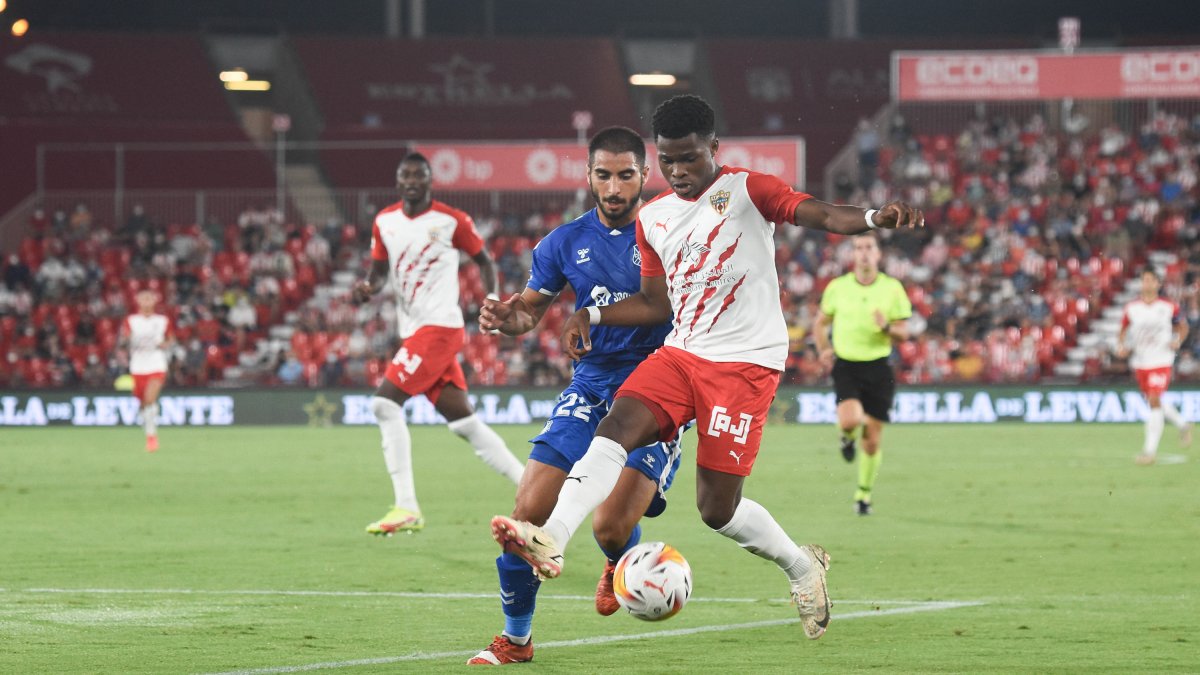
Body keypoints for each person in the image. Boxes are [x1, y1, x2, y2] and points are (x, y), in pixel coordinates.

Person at [492, 94, 923, 642]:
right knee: (616, 427)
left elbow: (817, 212)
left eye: (689, 159)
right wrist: (590, 311)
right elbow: (654, 303)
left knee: (717, 510)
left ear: (714, 149)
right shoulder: (655, 217)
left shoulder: (747, 188)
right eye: (668, 161)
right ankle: (549, 537)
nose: (678, 172)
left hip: (745, 366)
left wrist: (869, 219)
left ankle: (800, 565)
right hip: (682, 353)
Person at [468, 126, 686, 666]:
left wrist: (589, 312)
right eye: (604, 175)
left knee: (610, 527)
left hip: (659, 386)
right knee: (526, 514)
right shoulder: (563, 242)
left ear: (643, 175)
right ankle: (516, 639)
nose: (614, 188)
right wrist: (506, 317)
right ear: (588, 176)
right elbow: (528, 311)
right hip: (591, 385)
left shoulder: (669, 229)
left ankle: (617, 563)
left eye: (626, 175)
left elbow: (661, 307)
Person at [351, 152, 525, 536]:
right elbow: (379, 273)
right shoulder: (385, 222)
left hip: (440, 328)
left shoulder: (451, 221)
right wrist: (368, 288)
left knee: (383, 403)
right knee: (466, 424)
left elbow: (484, 260)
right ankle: (535, 486)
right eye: (406, 175)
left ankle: (406, 506)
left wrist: (493, 296)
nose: (412, 181)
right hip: (415, 332)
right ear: (398, 182)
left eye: (419, 175)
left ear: (430, 181)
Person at [812, 234, 912, 516]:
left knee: (872, 440)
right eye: (858, 249)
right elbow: (820, 323)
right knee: (851, 420)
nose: (864, 253)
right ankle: (845, 437)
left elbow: (904, 332)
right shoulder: (838, 287)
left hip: (879, 367)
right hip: (847, 365)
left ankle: (863, 495)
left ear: (878, 254)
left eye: (869, 248)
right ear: (853, 255)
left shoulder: (892, 289)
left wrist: (886, 328)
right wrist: (824, 349)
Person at [1116, 268, 1192, 465]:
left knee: (1154, 399)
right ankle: (1183, 425)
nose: (1147, 284)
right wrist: (1122, 346)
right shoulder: (1132, 308)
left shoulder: (1168, 307)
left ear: (1158, 284)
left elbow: (1183, 326)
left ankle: (1149, 452)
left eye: (1151, 280)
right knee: (1154, 402)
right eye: (1144, 280)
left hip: (1162, 360)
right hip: (1140, 362)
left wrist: (1178, 341)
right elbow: (1123, 330)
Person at [119, 290, 174, 452]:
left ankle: (152, 437)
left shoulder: (162, 320)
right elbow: (125, 339)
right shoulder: (132, 320)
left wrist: (166, 344)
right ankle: (148, 426)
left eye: (149, 298)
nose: (147, 301)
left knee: (150, 398)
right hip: (138, 365)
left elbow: (170, 338)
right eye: (143, 298)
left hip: (157, 364)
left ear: (155, 301)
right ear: (137, 301)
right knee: (143, 403)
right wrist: (126, 342)